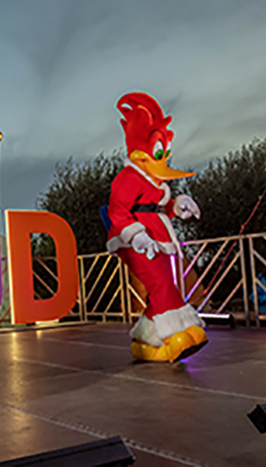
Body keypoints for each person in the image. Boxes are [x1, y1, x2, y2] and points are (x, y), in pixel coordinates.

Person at [107, 92, 207, 363]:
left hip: (156, 239)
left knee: (164, 285)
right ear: (140, 154)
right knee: (162, 283)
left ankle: (144, 340)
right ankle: (175, 333)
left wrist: (177, 205)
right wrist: (136, 236)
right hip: (135, 241)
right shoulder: (127, 178)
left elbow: (157, 211)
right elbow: (118, 212)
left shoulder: (155, 184)